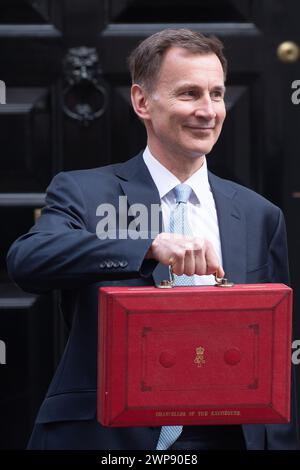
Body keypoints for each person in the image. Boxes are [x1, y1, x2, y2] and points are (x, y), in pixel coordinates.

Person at [7, 29, 299, 450]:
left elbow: (275, 356)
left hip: (224, 438)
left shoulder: (260, 215)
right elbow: (28, 260)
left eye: (216, 94)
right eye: (189, 94)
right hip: (105, 439)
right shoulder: (85, 192)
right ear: (142, 102)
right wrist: (144, 247)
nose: (208, 110)